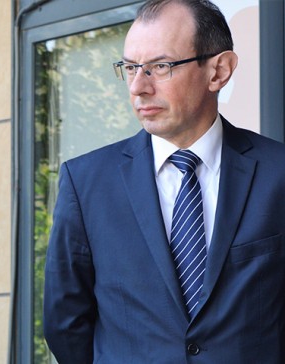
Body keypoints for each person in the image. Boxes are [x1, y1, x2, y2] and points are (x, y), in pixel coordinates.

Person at [43, 0, 285, 362]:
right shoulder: (86, 183)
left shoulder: (277, 172)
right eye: (129, 68)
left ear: (218, 71)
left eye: (160, 66)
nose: (138, 87)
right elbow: (65, 324)